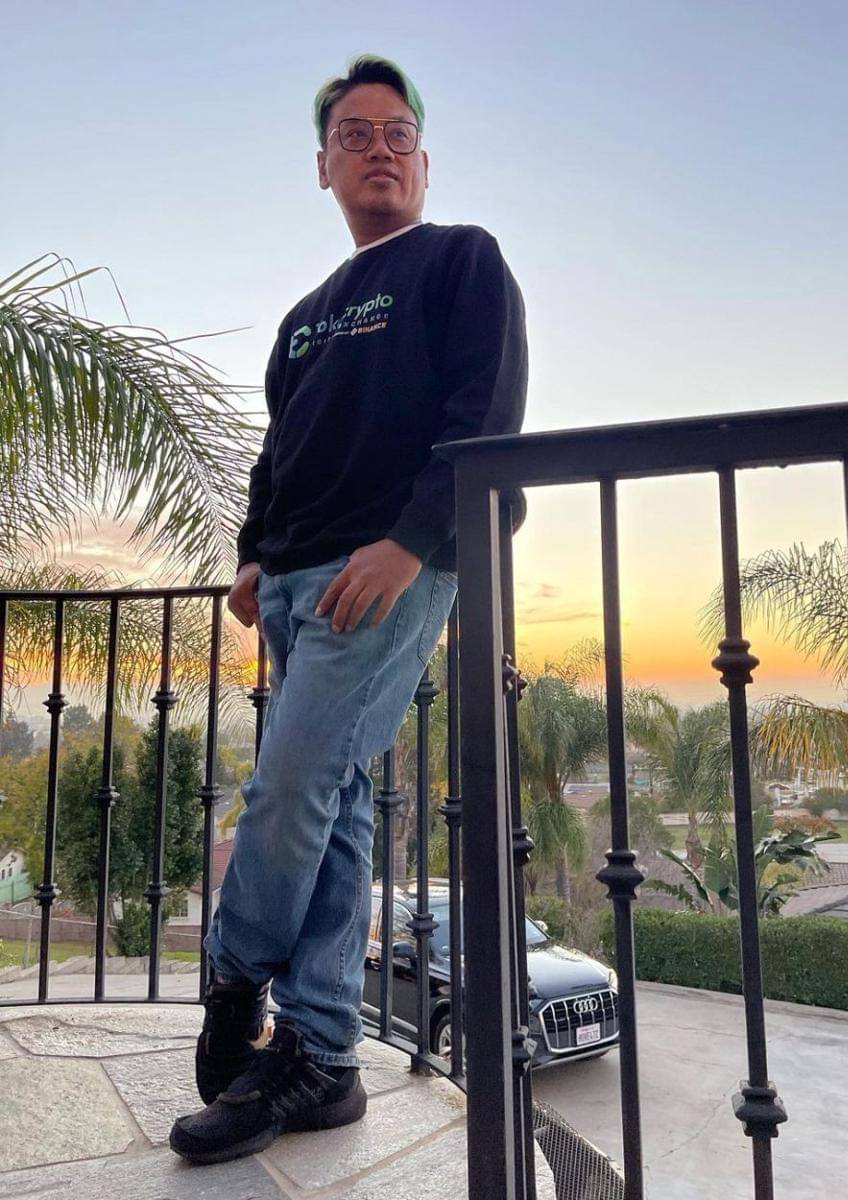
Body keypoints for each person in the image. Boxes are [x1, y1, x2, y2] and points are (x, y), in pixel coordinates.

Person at [169, 54, 528, 1164]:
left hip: (386, 568)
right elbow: (276, 451)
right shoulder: (304, 318)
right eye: (356, 134)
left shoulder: (462, 260)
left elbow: (485, 413)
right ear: (322, 165)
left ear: (423, 160)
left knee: (289, 786)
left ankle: (234, 974)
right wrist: (251, 555)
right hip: (290, 581)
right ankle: (323, 1058)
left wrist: (410, 544)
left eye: (398, 133)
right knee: (335, 806)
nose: (380, 149)